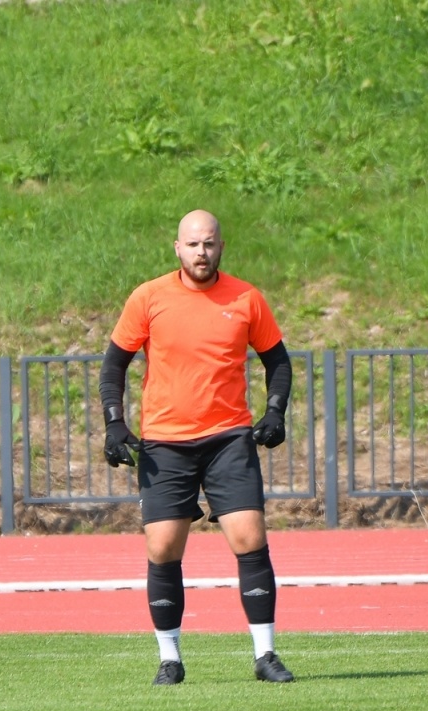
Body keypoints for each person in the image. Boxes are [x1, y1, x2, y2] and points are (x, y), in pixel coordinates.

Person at [101, 210, 295, 686]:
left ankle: (266, 654)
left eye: (208, 243)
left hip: (228, 438)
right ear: (178, 248)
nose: (201, 252)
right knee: (163, 547)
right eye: (192, 244)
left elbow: (278, 361)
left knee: (249, 538)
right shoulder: (148, 297)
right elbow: (114, 364)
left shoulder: (247, 298)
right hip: (165, 442)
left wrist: (274, 411)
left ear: (221, 246)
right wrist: (114, 423)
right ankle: (170, 659)